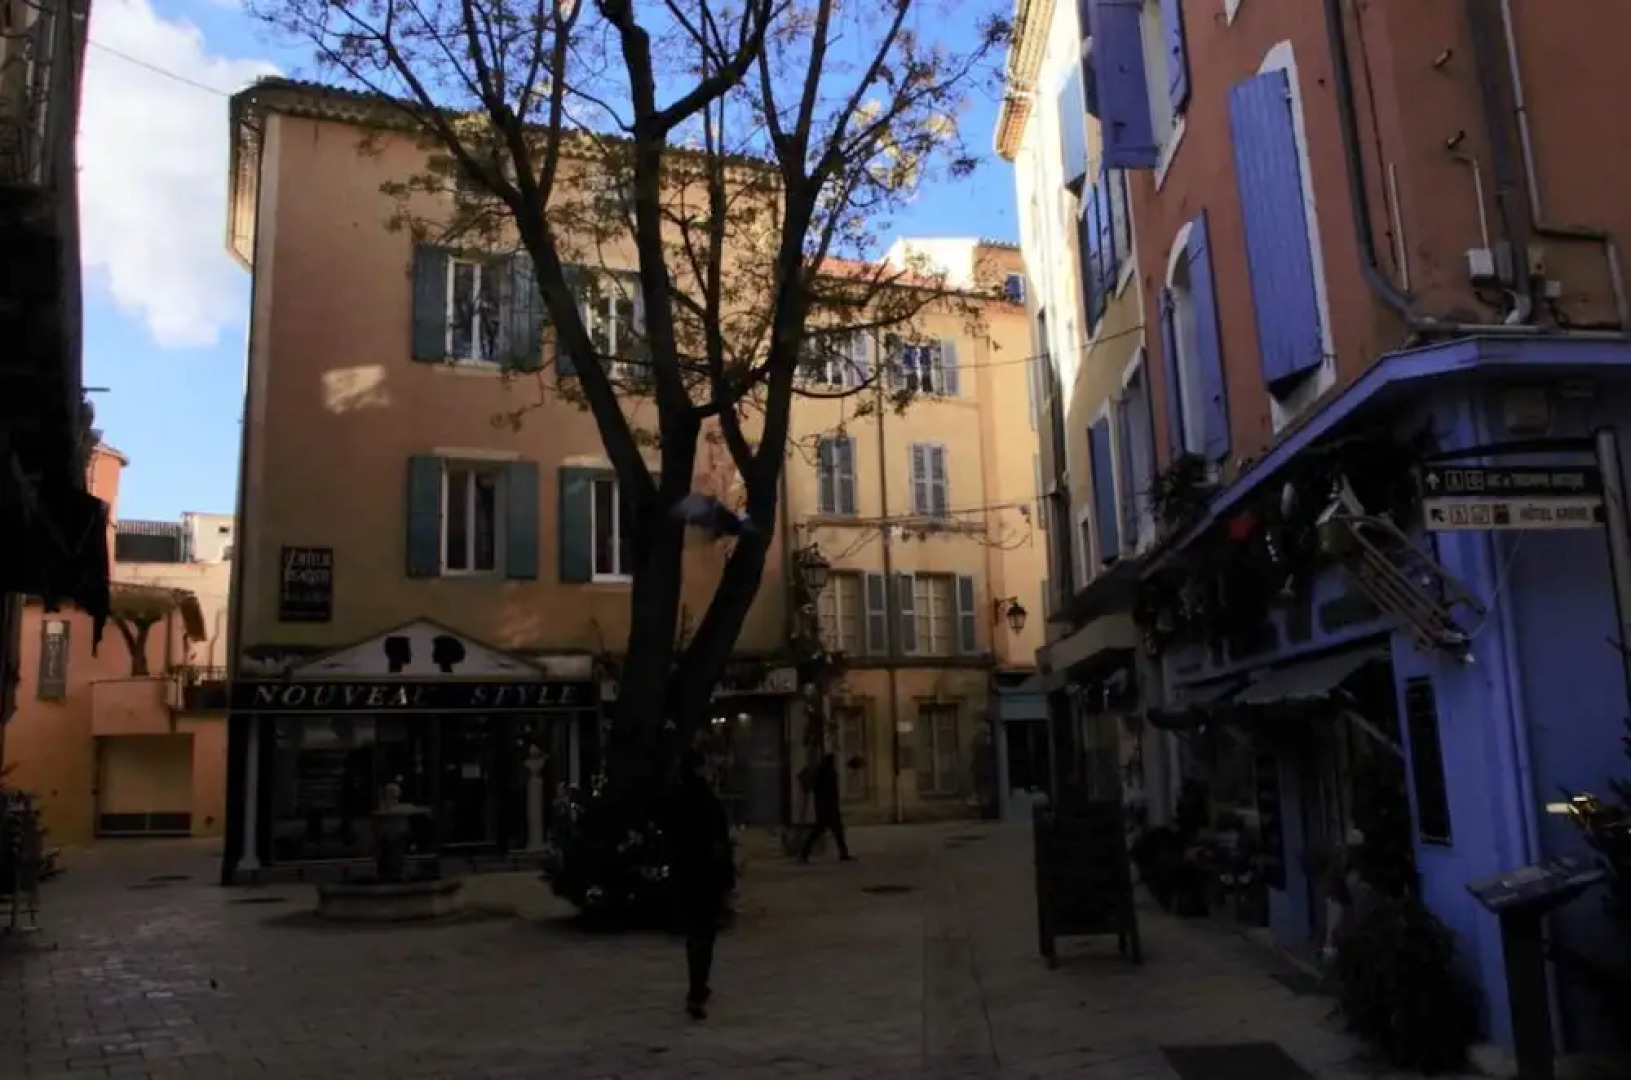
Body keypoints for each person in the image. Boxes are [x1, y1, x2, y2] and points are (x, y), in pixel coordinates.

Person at [665, 748, 736, 1020]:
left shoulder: (677, 799)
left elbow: (670, 837)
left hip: (686, 874)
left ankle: (697, 985)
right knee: (704, 934)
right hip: (706, 874)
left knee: (694, 933)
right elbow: (719, 840)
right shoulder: (708, 801)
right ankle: (698, 987)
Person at [799, 752, 854, 863]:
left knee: (822, 831)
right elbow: (832, 792)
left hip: (824, 808)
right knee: (832, 831)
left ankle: (805, 852)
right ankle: (842, 853)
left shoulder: (822, 773)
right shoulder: (828, 773)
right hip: (829, 808)